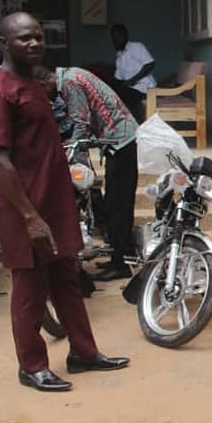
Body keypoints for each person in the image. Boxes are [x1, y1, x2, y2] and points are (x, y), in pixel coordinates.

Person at [0, 12, 129, 392]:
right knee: (30, 289)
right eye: (24, 38)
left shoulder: (34, 84)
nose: (34, 43)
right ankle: (32, 365)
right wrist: (29, 217)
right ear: (4, 43)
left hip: (53, 202)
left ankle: (84, 352)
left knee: (67, 281)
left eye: (39, 36)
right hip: (24, 208)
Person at [33, 65, 139, 281]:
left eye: (40, 93)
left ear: (43, 83)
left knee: (117, 205)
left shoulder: (70, 83)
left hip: (120, 141)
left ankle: (122, 264)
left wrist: (66, 153)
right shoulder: (72, 75)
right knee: (115, 202)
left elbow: (81, 123)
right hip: (119, 140)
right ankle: (120, 257)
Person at [111, 23, 156, 123]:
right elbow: (117, 79)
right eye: (113, 38)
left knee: (124, 96)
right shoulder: (119, 56)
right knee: (112, 95)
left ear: (125, 36)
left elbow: (150, 64)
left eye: (118, 37)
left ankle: (134, 125)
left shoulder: (136, 47)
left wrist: (132, 80)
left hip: (145, 89)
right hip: (131, 91)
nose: (115, 41)